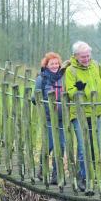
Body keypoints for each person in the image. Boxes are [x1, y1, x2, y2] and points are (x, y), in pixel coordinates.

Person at [64, 41, 101, 192]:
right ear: (76, 56)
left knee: (95, 145)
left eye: (88, 56)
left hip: (96, 112)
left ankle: (94, 175)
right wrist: (78, 90)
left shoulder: (96, 66)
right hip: (79, 114)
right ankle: (83, 177)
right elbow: (70, 91)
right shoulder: (70, 70)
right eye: (83, 56)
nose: (86, 59)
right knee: (83, 146)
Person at [33, 52, 67, 185]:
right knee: (50, 144)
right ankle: (42, 169)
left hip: (62, 117)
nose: (55, 65)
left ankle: (56, 175)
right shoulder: (41, 78)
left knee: (62, 145)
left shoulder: (63, 77)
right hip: (48, 118)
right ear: (46, 65)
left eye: (56, 63)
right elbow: (35, 97)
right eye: (51, 63)